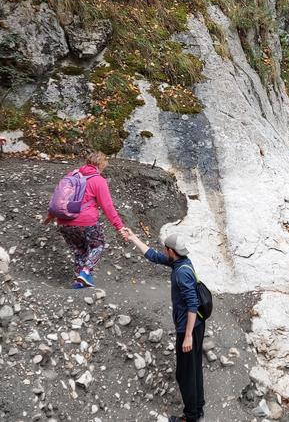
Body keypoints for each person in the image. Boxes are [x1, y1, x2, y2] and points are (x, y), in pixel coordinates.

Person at [125, 228, 205, 422]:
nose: (164, 252)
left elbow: (192, 304)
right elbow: (153, 256)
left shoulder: (181, 274)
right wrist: (134, 238)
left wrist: (186, 336)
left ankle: (191, 417)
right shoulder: (182, 262)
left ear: (171, 250)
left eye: (165, 249)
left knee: (184, 373)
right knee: (194, 368)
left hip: (189, 328)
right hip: (198, 325)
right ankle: (198, 408)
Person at [47, 150, 128, 288]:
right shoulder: (98, 180)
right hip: (86, 221)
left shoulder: (71, 175)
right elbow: (108, 207)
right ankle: (85, 273)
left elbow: (59, 197)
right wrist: (120, 227)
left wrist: (50, 216)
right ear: (101, 164)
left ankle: (78, 283)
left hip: (63, 222)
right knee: (99, 245)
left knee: (80, 251)